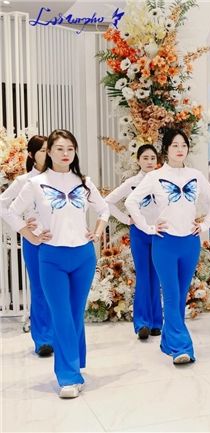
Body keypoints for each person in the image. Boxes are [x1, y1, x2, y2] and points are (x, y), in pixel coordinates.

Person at [5, 129, 109, 398]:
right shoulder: (36, 183)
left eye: (70, 149)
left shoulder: (84, 182)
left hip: (83, 257)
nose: (65, 154)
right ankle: (68, 377)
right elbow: (10, 211)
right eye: (59, 149)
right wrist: (30, 235)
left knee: (75, 314)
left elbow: (104, 209)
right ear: (48, 152)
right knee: (61, 315)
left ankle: (75, 361)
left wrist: (97, 232)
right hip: (51, 258)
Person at [125, 129, 210, 365]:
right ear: (166, 149)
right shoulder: (155, 176)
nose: (180, 149)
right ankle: (181, 347)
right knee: (170, 294)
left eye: (183, 145)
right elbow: (131, 201)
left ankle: (168, 341)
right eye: (175, 145)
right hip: (164, 243)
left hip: (190, 243)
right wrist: (147, 227)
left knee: (180, 297)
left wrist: (205, 224)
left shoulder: (195, 175)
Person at [0, 134, 54, 356]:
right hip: (34, 241)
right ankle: (43, 339)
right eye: (42, 150)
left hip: (58, 241)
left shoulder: (60, 178)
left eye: (49, 149)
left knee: (57, 289)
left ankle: (59, 335)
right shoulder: (23, 181)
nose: (47, 154)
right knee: (40, 288)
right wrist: (23, 227)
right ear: (31, 154)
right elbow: (2, 205)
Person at [105, 144, 163, 340]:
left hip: (159, 233)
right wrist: (126, 219)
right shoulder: (132, 182)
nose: (149, 162)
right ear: (138, 160)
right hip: (139, 233)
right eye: (145, 158)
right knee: (144, 275)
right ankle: (142, 323)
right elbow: (108, 202)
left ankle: (156, 323)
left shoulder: (162, 180)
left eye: (152, 158)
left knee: (157, 276)